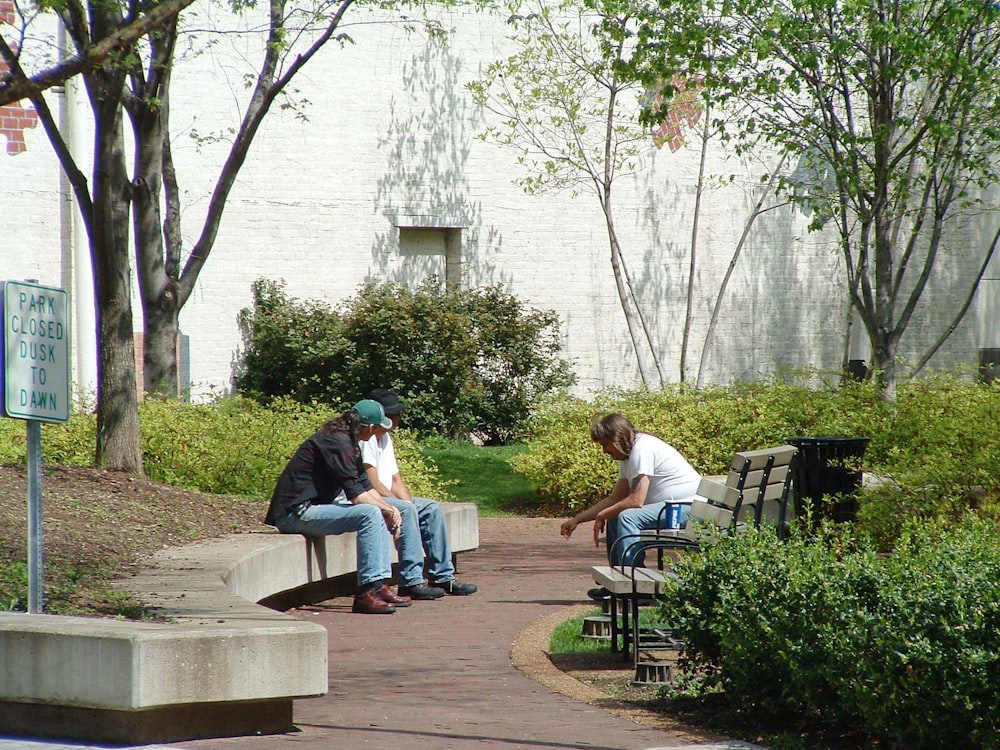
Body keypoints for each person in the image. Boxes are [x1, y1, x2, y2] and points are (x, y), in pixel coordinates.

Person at [264, 399, 432, 614]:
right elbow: (357, 496)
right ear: (370, 427)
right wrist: (387, 510)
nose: (376, 433)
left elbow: (365, 485)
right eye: (376, 428)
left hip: (316, 508)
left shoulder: (348, 441)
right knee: (370, 513)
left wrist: (392, 508)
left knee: (386, 509)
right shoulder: (336, 442)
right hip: (295, 513)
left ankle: (380, 586)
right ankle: (366, 593)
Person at [559, 413, 701, 596]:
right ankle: (618, 584)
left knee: (626, 516)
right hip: (673, 508)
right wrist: (577, 520)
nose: (604, 451)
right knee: (616, 515)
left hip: (690, 509)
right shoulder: (629, 456)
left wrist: (603, 514)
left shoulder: (642, 449)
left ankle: (636, 586)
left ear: (616, 439)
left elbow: (636, 500)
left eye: (605, 445)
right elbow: (614, 499)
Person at [364, 388, 478, 596]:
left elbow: (395, 479)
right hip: (368, 499)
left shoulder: (385, 439)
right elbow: (370, 481)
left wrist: (408, 504)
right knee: (407, 510)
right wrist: (400, 507)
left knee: (430, 508)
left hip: (384, 497)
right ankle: (411, 581)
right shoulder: (367, 437)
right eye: (393, 414)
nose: (398, 418)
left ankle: (443, 577)